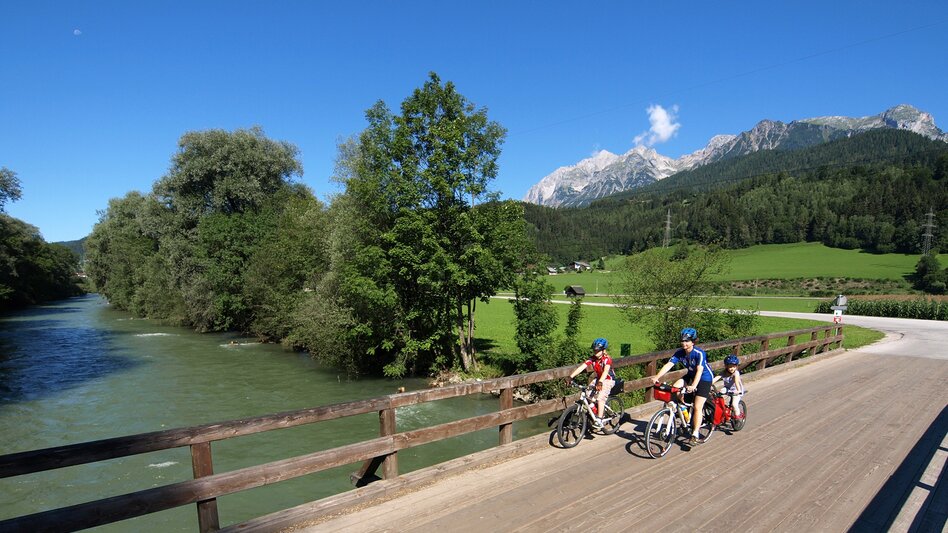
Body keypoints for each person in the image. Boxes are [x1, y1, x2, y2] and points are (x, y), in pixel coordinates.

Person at [651, 327, 714, 446]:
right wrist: (657, 377)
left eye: (687, 341)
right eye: (682, 340)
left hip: (704, 379)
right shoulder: (680, 352)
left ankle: (695, 433)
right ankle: (684, 409)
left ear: (693, 342)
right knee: (675, 388)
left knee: (697, 406)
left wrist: (694, 385)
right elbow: (669, 364)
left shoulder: (699, 353)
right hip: (690, 375)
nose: (684, 343)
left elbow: (700, 370)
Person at [565, 338, 615, 428]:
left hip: (608, 379)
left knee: (600, 398)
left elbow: (605, 371)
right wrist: (570, 377)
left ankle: (599, 419)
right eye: (594, 350)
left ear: (603, 351)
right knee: (587, 394)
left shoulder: (607, 359)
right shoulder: (593, 359)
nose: (595, 352)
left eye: (597, 351)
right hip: (598, 379)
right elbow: (582, 367)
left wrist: (600, 382)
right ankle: (595, 410)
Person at [712, 354, 745, 419]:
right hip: (728, 388)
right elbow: (716, 378)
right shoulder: (724, 372)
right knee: (719, 396)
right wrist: (708, 383)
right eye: (730, 367)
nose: (731, 369)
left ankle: (737, 415)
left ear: (736, 366)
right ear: (726, 366)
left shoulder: (736, 373)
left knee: (734, 404)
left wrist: (738, 391)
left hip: (736, 389)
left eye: (733, 367)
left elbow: (736, 382)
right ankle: (724, 412)